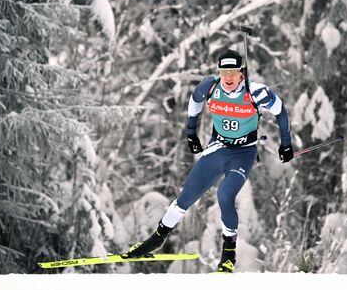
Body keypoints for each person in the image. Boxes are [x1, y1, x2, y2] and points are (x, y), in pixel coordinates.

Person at [125, 49, 293, 272]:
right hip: (217, 147)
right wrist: (191, 133)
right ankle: (157, 238)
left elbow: (281, 111)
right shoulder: (210, 86)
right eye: (224, 72)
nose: (229, 77)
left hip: (243, 153)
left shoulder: (256, 92)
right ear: (219, 72)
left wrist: (286, 144)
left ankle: (228, 255)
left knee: (224, 195)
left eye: (233, 71)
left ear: (241, 72)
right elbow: (195, 101)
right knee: (186, 196)